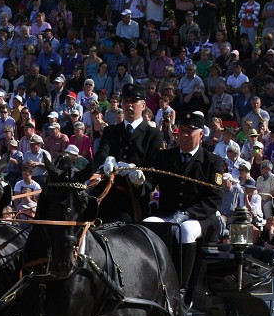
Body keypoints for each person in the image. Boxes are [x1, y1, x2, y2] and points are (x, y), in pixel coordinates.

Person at [144, 110, 225, 292]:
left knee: (186, 230)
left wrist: (188, 213)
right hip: (168, 213)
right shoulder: (165, 156)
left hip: (199, 217)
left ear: (201, 134)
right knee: (147, 225)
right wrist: (138, 179)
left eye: (190, 131)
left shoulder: (212, 161)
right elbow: (151, 181)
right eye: (182, 130)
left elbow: (215, 198)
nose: (184, 135)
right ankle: (150, 281)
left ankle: (181, 287)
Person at [93, 83, 162, 221]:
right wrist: (106, 162)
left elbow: (154, 171)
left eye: (133, 102)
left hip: (132, 201)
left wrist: (139, 182)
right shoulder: (111, 131)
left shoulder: (153, 134)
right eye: (125, 101)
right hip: (105, 195)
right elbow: (101, 153)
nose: (129, 105)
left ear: (143, 105)